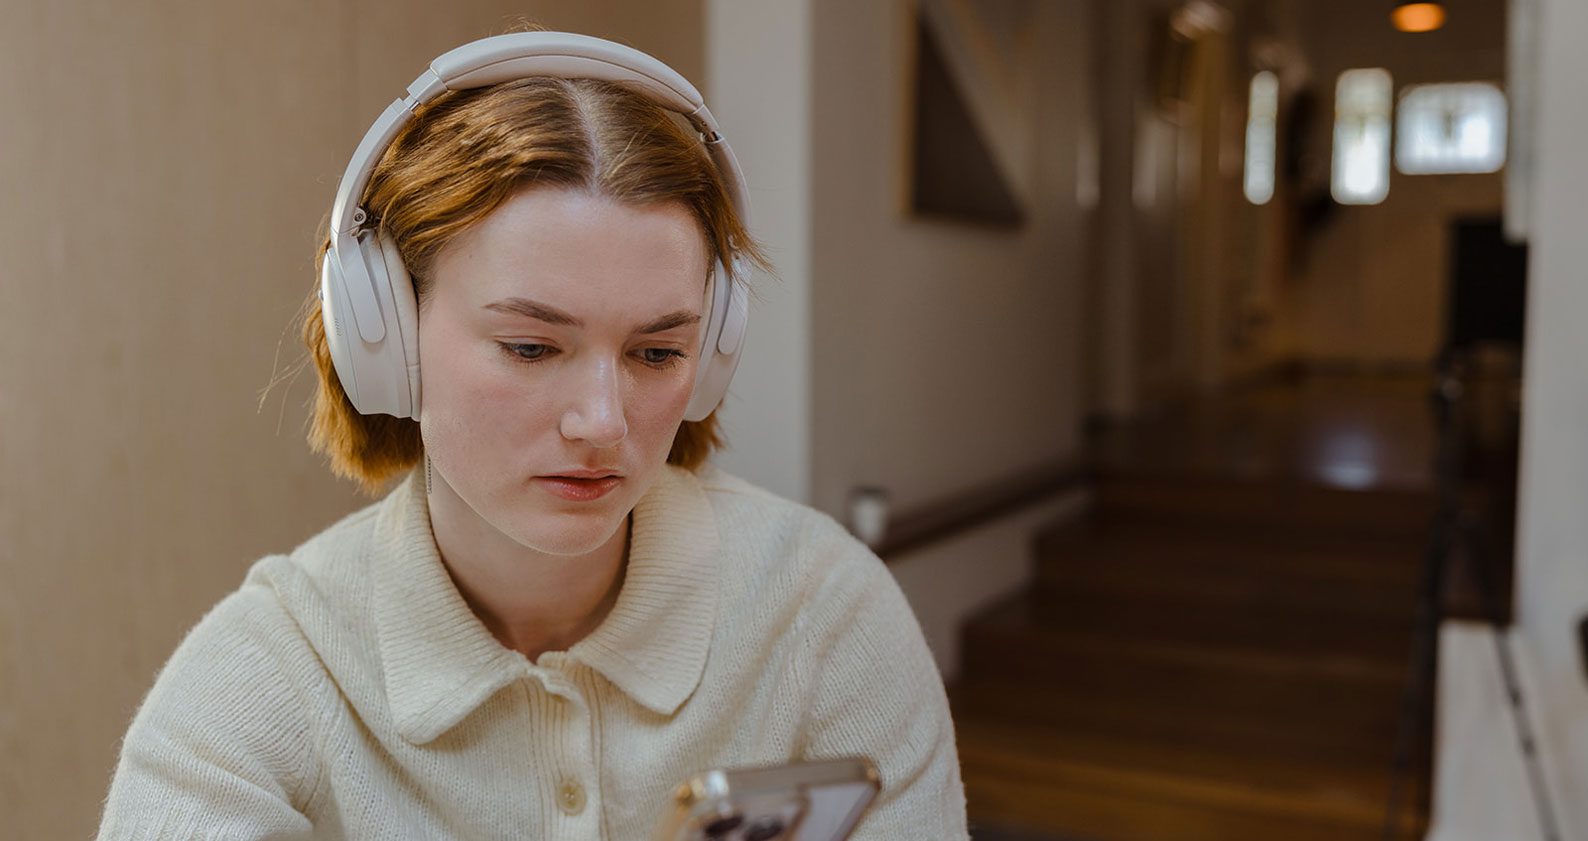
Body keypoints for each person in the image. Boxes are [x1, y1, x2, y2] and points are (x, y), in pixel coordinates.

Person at [94, 31, 969, 840]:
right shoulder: (266, 680)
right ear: (387, 341)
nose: (603, 421)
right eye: (529, 346)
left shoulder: (825, 616)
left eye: (657, 351)